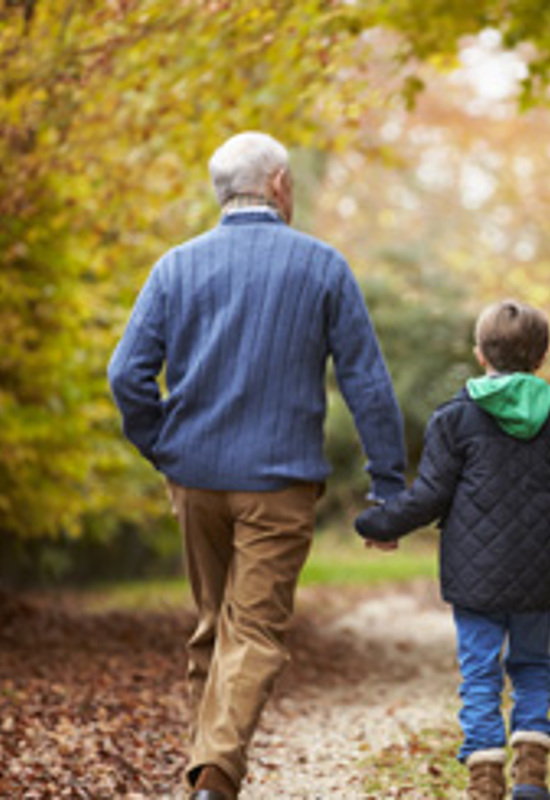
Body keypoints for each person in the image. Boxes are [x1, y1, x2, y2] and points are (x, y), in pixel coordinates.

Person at [107, 132, 407, 800]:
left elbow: (126, 375)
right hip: (279, 483)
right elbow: (367, 383)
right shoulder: (322, 267)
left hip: (195, 479)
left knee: (215, 628)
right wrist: (387, 489)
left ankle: (204, 776)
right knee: (256, 633)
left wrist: (165, 447)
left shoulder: (175, 268)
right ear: (277, 185)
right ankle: (214, 777)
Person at [355, 299, 550, 800]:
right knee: (531, 667)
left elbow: (429, 494)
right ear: (540, 359)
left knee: (480, 671)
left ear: (480, 354)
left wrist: (378, 523)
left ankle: (484, 780)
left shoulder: (454, 421)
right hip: (536, 575)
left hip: (472, 577)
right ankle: (529, 777)